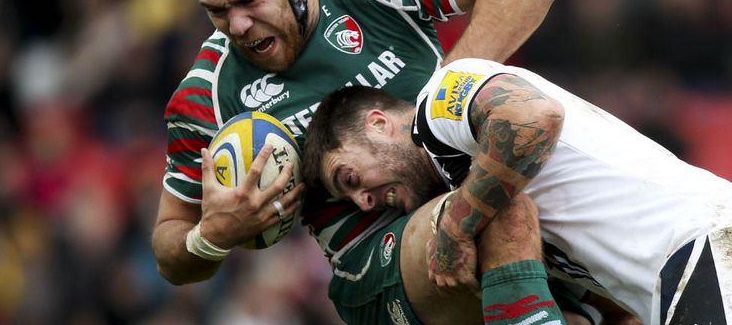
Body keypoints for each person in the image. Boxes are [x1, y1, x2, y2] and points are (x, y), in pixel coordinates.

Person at [150, 0, 572, 322]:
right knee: (501, 211)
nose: (237, 25)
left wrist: (444, 100)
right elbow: (169, 247)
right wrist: (211, 237)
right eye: (217, 11)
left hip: (461, 192)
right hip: (371, 261)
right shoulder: (207, 93)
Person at [302, 58, 732, 324]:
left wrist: (454, 226)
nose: (364, 201)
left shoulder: (439, 99)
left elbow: (534, 116)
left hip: (700, 247)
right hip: (681, 273)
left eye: (350, 178)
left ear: (378, 123)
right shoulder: (478, 179)